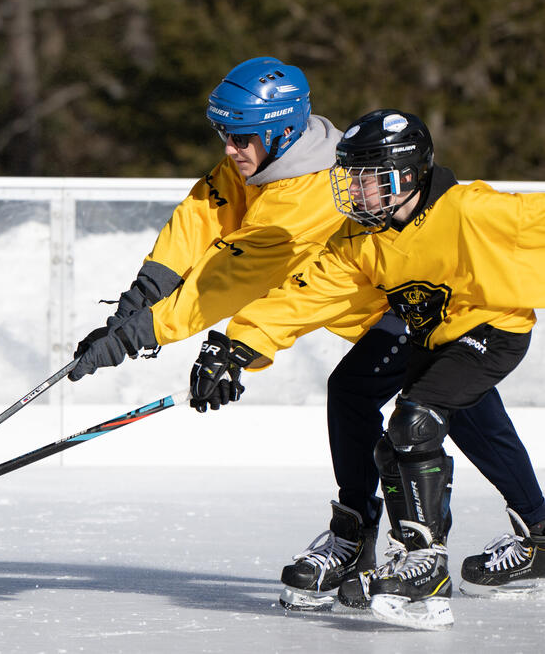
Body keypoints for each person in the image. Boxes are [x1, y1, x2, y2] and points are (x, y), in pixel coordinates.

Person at [68, 60, 545, 612]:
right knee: (440, 409)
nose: (228, 148)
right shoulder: (315, 193)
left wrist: (145, 334)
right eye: (222, 133)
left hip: (450, 315)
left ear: (279, 130)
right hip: (412, 314)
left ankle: (386, 549)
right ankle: (530, 533)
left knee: (401, 413)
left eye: (240, 136)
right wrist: (159, 305)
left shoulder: (340, 203)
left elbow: (229, 278)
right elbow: (227, 234)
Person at [189, 108, 545, 629]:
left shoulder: (474, 210)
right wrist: (235, 345)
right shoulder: (360, 238)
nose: (354, 191)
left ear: (407, 175)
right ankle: (368, 542)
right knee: (377, 419)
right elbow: (303, 295)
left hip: (491, 330)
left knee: (415, 420)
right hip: (429, 337)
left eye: (367, 177)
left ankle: (426, 564)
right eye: (350, 177)